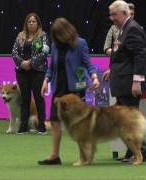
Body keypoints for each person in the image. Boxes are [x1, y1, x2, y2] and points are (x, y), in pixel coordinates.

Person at [38, 17, 100, 165]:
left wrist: (95, 78)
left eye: (60, 34)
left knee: (79, 125)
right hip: (58, 88)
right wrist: (46, 81)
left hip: (76, 88)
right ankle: (54, 155)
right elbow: (52, 67)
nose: (58, 37)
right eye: (56, 35)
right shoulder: (54, 46)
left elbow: (88, 64)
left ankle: (85, 156)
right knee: (54, 121)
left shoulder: (80, 43)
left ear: (67, 31)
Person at [102, 0, 146, 162]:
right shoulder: (125, 29)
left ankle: (141, 153)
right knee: (127, 120)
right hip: (123, 81)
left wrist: (137, 81)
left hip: (129, 84)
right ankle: (133, 152)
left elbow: (140, 55)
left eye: (114, 14)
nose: (111, 18)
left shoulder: (132, 29)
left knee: (131, 120)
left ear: (124, 13)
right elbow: (124, 56)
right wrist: (112, 70)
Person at [12, 13, 49, 134]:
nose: (31, 23)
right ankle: (23, 126)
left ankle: (41, 126)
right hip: (22, 71)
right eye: (29, 21)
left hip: (38, 71)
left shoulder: (43, 36)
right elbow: (14, 52)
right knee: (25, 98)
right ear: (26, 24)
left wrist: (31, 63)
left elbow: (44, 53)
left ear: (38, 23)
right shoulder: (20, 36)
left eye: (34, 21)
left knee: (39, 98)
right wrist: (22, 63)